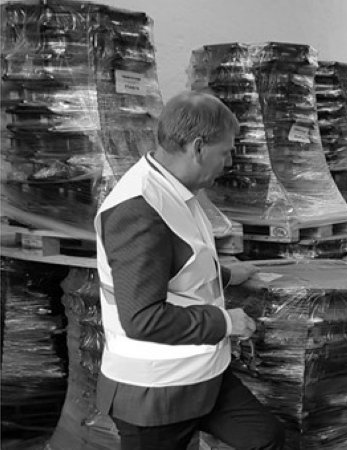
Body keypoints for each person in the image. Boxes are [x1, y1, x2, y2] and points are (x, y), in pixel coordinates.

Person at [94, 91, 285, 450]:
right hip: (154, 393)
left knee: (266, 438)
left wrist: (227, 275)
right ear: (198, 147)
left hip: (203, 376)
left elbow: (177, 262)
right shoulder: (138, 211)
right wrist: (225, 322)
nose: (229, 162)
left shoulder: (176, 191)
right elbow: (143, 318)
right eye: (225, 152)